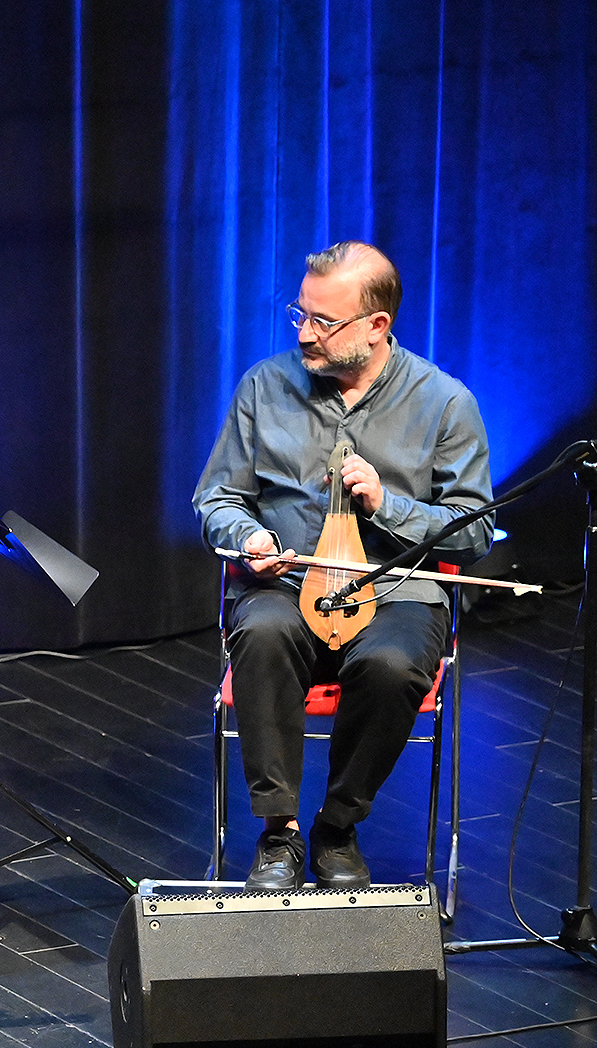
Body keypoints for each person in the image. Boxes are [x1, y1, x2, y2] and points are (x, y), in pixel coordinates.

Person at [193, 242, 493, 891]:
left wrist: (390, 503)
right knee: (264, 633)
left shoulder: (444, 402)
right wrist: (248, 536)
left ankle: (337, 824)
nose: (304, 332)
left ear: (376, 326)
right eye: (299, 315)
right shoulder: (264, 387)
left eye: (322, 322)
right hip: (288, 583)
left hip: (394, 591)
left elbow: (474, 530)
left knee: (390, 665)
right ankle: (279, 834)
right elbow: (216, 495)